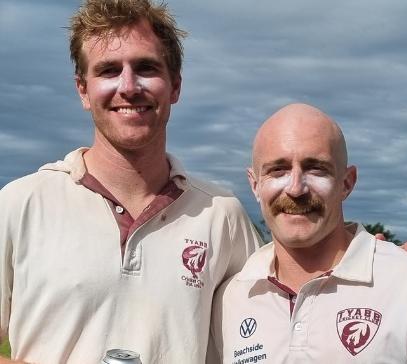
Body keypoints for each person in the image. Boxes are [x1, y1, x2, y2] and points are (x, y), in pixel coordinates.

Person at [0, 1, 261, 363]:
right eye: (108, 70)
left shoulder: (221, 215)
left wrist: (358, 255)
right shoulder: (19, 204)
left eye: (146, 68)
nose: (128, 86)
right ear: (82, 90)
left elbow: (277, 323)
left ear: (175, 86)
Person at [210, 104, 407, 363]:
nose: (295, 188)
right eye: (278, 170)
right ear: (255, 184)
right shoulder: (231, 297)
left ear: (346, 183)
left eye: (315, 168)